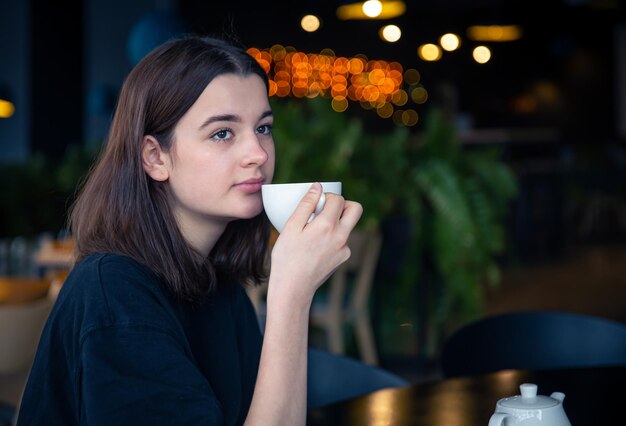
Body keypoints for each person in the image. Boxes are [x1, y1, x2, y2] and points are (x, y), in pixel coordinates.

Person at [17, 35, 362, 425]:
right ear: (155, 157)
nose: (259, 154)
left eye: (263, 128)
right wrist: (291, 295)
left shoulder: (218, 285)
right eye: (222, 133)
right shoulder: (114, 296)